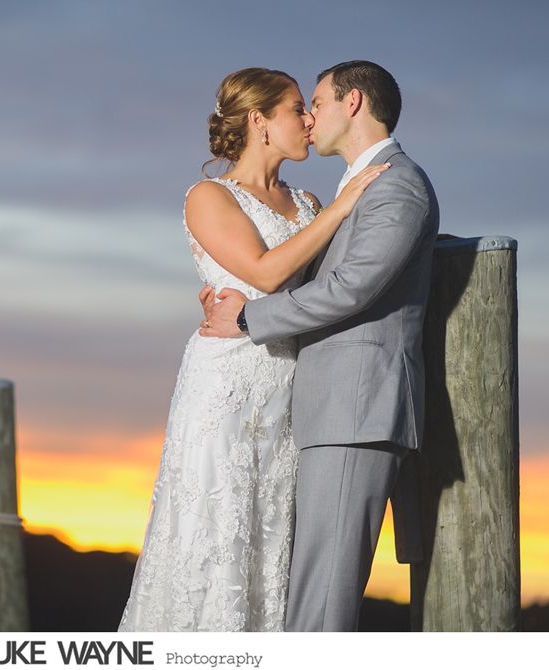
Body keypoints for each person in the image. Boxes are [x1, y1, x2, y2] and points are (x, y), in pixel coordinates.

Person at [117, 67, 388, 632]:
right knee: (218, 526)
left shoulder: (307, 199)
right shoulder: (209, 197)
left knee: (269, 536)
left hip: (290, 385)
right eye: (296, 108)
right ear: (259, 121)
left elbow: (332, 283)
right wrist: (342, 209)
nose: (309, 121)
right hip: (227, 386)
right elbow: (266, 276)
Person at [199, 60, 440, 631]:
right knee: (307, 595)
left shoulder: (396, 184)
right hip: (326, 411)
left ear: (352, 102)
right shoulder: (360, 186)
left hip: (356, 410)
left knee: (322, 605)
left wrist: (249, 319)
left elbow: (351, 288)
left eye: (318, 100)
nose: (310, 116)